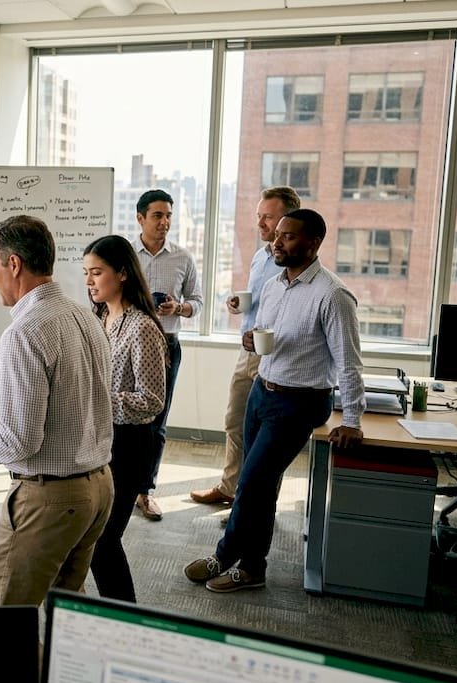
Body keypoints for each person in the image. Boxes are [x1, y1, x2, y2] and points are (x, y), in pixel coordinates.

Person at [184, 209, 364, 593]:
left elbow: (349, 363)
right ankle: (252, 567)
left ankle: (226, 554)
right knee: (260, 487)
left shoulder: (332, 295)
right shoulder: (272, 286)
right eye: (276, 235)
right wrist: (249, 340)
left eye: (288, 236)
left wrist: (352, 419)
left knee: (250, 485)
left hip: (300, 402)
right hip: (263, 390)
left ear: (313, 243)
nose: (276, 242)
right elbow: (261, 334)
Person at [0, 214, 114, 607]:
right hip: (98, 488)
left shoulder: (25, 332)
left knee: (3, 624)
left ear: (14, 265)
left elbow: (18, 441)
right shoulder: (86, 317)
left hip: (51, 499)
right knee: (66, 612)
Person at [190, 186, 301, 509]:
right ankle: (230, 488)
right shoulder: (260, 256)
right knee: (235, 421)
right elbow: (261, 300)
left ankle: (255, 506)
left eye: (268, 216)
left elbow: (293, 312)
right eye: (259, 216)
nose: (261, 223)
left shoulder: (293, 261)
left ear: (287, 220)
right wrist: (241, 303)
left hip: (276, 356)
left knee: (267, 437)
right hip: (248, 351)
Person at [83, 235, 168, 602]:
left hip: (129, 445)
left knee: (104, 540)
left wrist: (98, 399)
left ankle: (125, 619)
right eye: (86, 273)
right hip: (102, 440)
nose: (89, 281)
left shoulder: (142, 327)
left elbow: (151, 402)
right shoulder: (101, 317)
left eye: (97, 273)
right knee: (94, 538)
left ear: (122, 274)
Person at [132, 189, 202, 521]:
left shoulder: (183, 258)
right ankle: (118, 485)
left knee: (157, 423)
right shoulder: (125, 256)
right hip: (128, 343)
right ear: (140, 218)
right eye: (158, 215)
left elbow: (198, 302)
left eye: (169, 215)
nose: (165, 222)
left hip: (167, 344)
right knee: (120, 417)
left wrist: (180, 307)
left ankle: (145, 491)